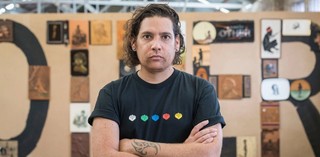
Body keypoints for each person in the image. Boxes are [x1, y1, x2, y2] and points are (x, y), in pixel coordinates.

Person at [88, 3, 225, 157]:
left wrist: (133, 146)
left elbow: (210, 154)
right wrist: (185, 151)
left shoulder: (201, 90)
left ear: (177, 42)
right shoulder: (111, 94)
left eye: (165, 37)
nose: (156, 45)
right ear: (134, 43)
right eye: (147, 36)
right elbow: (103, 155)